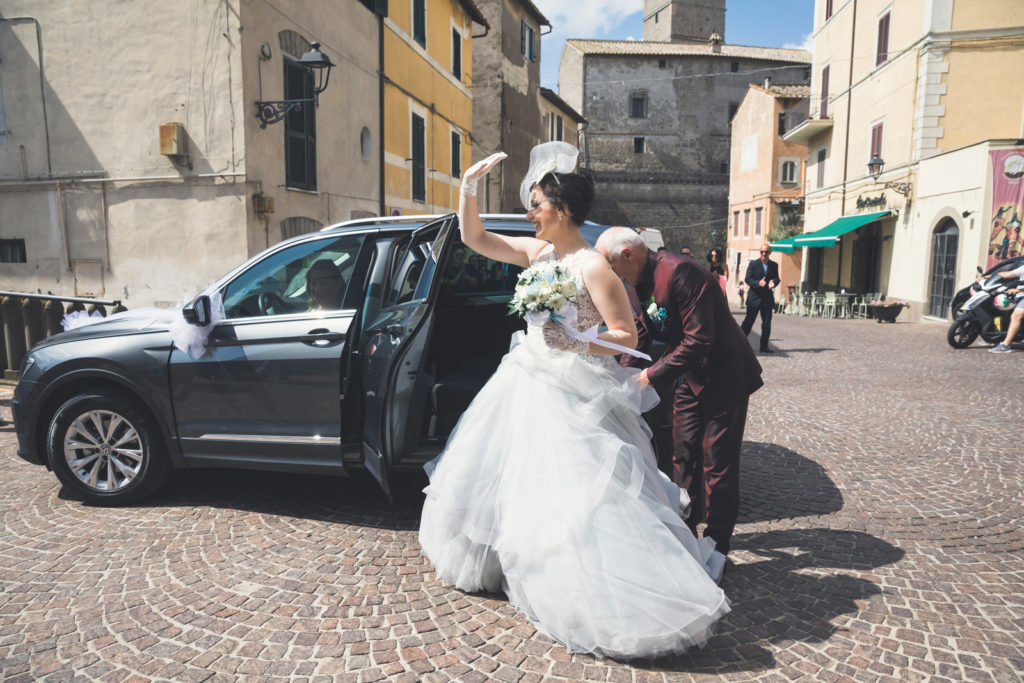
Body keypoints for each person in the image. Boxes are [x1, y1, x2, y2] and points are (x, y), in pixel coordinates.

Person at [419, 143, 730, 660]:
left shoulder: (593, 267)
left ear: (561, 210)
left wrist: (575, 340)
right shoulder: (537, 254)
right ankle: (514, 565)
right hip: (524, 378)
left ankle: (591, 589)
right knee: (514, 479)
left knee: (576, 489)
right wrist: (467, 186)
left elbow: (626, 336)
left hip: (571, 387)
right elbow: (474, 237)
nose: (529, 213)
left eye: (536, 204)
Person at [596, 228, 763, 563]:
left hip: (725, 375)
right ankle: (684, 533)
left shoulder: (681, 272)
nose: (611, 276)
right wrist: (626, 372)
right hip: (689, 374)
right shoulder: (637, 281)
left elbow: (700, 339)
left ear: (628, 254)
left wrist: (651, 375)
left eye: (611, 266)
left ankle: (717, 544)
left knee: (718, 462)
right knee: (681, 453)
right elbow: (642, 329)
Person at [741, 243, 780, 353]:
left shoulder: (774, 265)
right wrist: (758, 283)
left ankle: (764, 347)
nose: (764, 254)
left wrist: (774, 282)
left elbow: (777, 278)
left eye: (766, 252)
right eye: (762, 252)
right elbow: (748, 279)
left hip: (767, 299)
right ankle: (739, 344)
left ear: (770, 253)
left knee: (766, 325)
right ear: (760, 252)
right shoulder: (753, 264)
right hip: (754, 299)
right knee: (748, 323)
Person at [982, 261, 1024, 353]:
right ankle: (996, 338)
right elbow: (1006, 274)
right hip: (1018, 295)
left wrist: (1018, 289)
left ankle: (1005, 345)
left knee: (1016, 316)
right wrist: (986, 278)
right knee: (1001, 311)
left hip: (1021, 295)